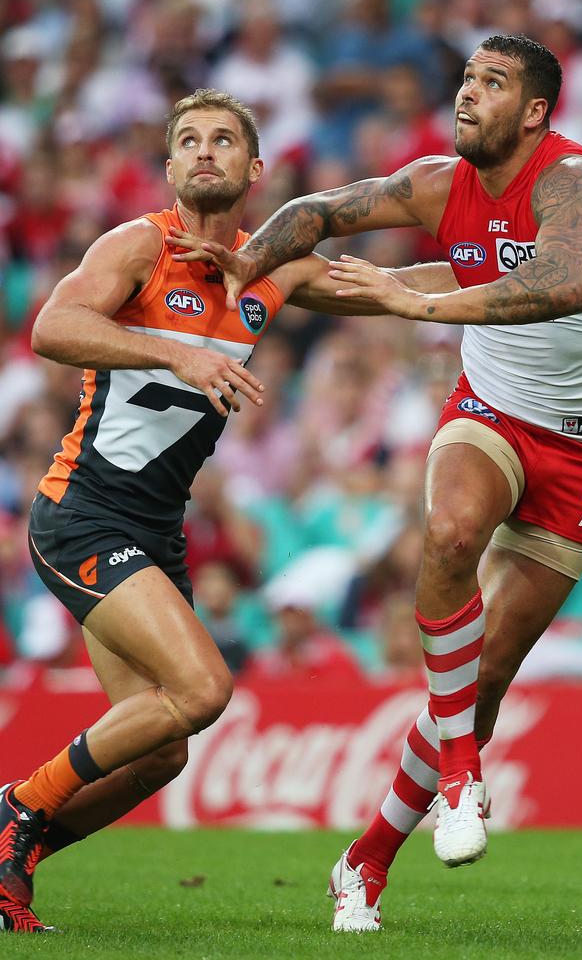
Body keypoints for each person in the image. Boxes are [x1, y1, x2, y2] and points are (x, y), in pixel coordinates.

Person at [175, 35, 582, 932]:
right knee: (453, 532)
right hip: (492, 411)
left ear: (537, 112)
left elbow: (562, 282)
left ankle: (364, 861)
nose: (469, 93)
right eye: (467, 78)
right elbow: (319, 210)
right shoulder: (434, 181)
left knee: (488, 678)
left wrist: (415, 303)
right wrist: (249, 261)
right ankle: (463, 769)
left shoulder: (572, 182)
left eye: (493, 84)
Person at [0, 87, 389, 934]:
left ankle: (11, 860)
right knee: (204, 690)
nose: (204, 151)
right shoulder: (140, 245)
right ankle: (15, 809)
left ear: (255, 170)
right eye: (188, 140)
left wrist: (503, 271)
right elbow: (53, 327)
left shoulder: (267, 269)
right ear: (170, 165)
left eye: (222, 140)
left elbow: (385, 286)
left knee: (161, 751)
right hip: (83, 513)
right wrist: (170, 350)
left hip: (154, 532)